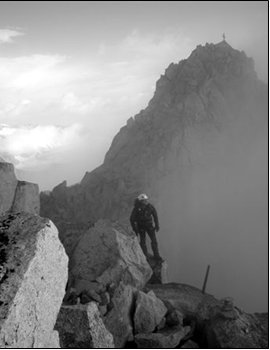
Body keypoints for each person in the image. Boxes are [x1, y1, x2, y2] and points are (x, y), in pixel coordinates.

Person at [130, 193, 163, 261]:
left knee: (153, 241)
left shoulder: (149, 207)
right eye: (144, 200)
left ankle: (156, 256)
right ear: (140, 201)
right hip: (142, 226)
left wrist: (157, 225)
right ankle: (145, 256)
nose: (145, 201)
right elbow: (132, 219)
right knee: (143, 241)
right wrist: (135, 229)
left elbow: (155, 215)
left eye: (146, 200)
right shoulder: (138, 208)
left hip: (148, 226)